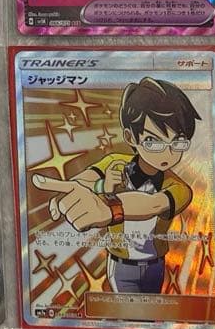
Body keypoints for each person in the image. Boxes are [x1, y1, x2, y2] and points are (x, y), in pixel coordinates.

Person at [32, 77, 200, 294]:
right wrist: (95, 187)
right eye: (153, 141)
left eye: (177, 142)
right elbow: (85, 179)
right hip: (121, 265)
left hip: (155, 265)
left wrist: (109, 210)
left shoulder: (179, 188)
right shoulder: (115, 162)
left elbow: (153, 204)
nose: (168, 152)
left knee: (149, 312)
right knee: (127, 311)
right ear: (130, 137)